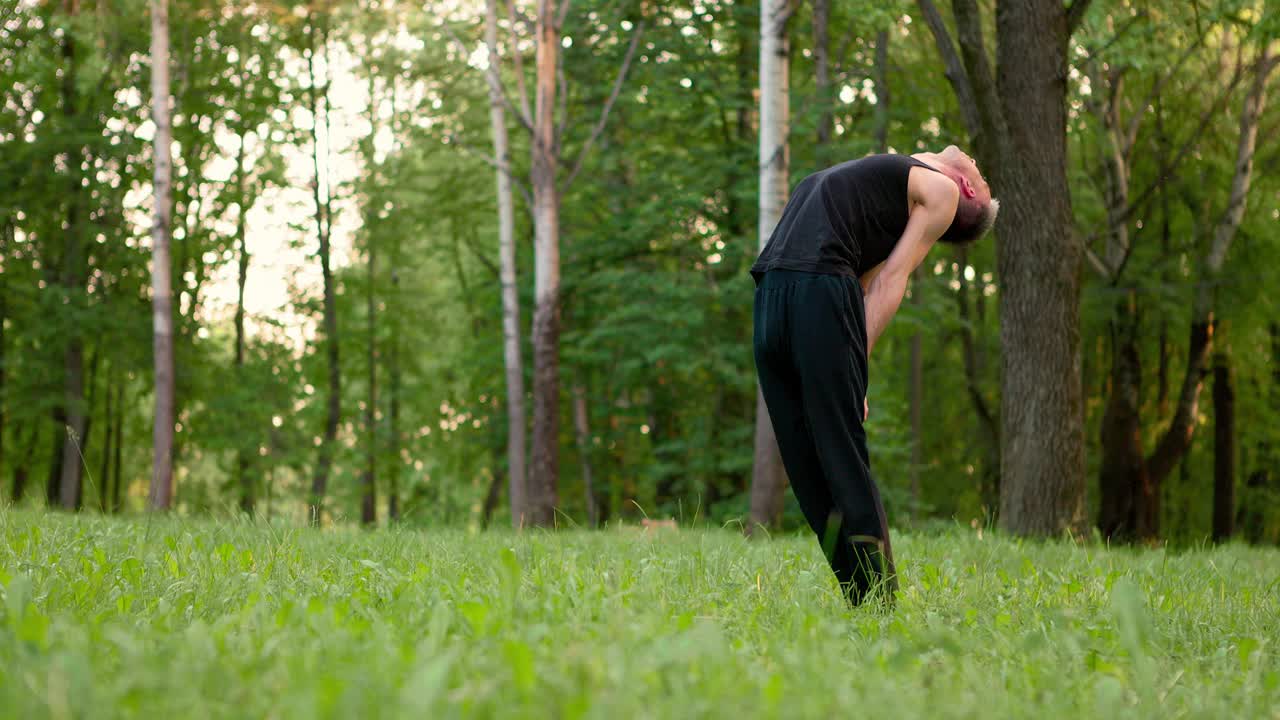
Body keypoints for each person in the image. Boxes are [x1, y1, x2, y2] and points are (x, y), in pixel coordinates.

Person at [751, 146, 998, 605]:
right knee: (805, 468)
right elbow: (865, 277)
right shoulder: (885, 181)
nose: (975, 160)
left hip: (812, 290)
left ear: (967, 191)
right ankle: (860, 598)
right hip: (774, 287)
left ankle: (880, 602)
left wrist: (854, 367)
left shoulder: (940, 190)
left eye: (981, 177)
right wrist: (848, 365)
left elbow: (891, 280)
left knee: (841, 458)